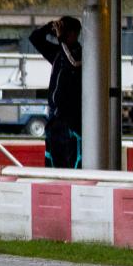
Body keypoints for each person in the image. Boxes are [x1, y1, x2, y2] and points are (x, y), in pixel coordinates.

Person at [29, 15, 84, 168]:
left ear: (73, 33)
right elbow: (34, 38)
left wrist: (60, 39)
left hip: (71, 118)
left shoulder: (80, 53)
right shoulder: (58, 53)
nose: (61, 34)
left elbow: (72, 63)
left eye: (64, 31)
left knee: (70, 158)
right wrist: (49, 27)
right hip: (54, 116)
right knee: (53, 158)